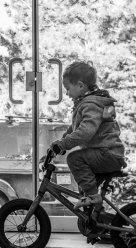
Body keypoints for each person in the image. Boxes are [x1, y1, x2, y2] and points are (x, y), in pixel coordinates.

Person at [49, 61, 127, 209]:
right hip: (105, 153)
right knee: (85, 187)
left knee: (74, 159)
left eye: (67, 88)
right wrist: (60, 143)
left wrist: (63, 145)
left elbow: (85, 132)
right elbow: (74, 128)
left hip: (108, 153)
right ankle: (97, 218)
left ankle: (93, 199)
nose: (66, 93)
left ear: (80, 85)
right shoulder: (87, 103)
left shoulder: (91, 105)